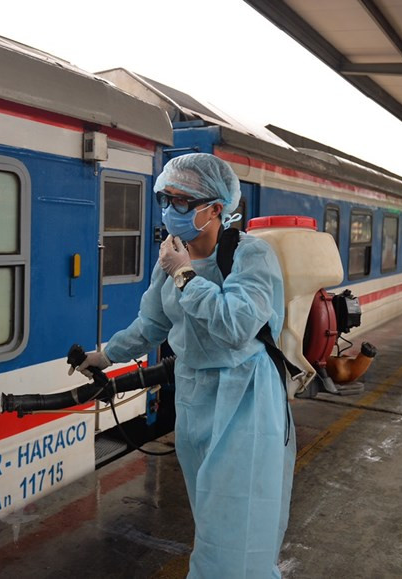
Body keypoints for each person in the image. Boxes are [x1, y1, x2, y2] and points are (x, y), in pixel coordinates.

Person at [71, 153, 293, 578]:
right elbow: (152, 323)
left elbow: (236, 325)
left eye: (184, 202)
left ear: (217, 208)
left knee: (236, 528)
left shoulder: (252, 257)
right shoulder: (172, 257)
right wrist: (107, 355)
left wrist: (187, 277)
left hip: (243, 398)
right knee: (211, 517)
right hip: (195, 397)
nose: (172, 211)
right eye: (166, 199)